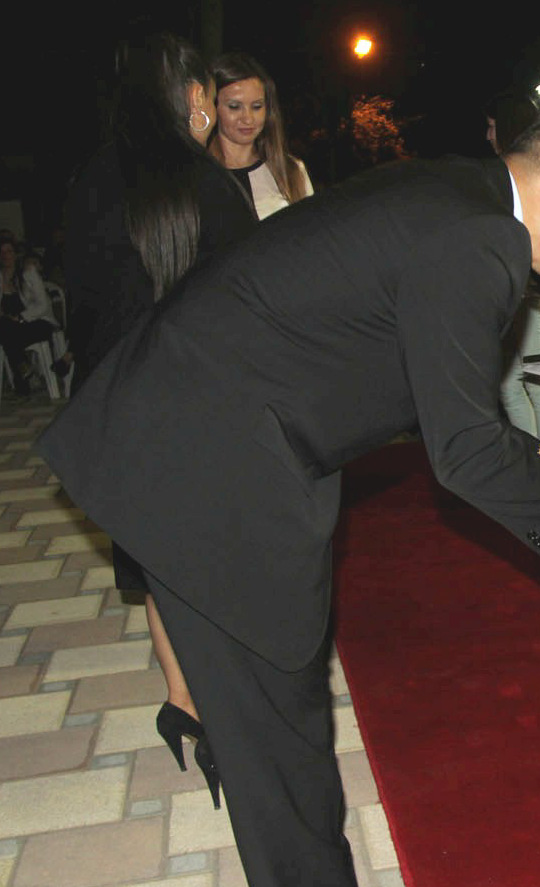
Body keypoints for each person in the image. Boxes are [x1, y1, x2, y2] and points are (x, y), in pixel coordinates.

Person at [37, 108, 540, 887]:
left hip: (177, 434)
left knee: (265, 725)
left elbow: (420, 378)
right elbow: (466, 453)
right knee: (282, 726)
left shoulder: (452, 194)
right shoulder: (483, 239)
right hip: (209, 464)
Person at [63, 32, 257, 808]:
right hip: (198, 406)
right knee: (216, 565)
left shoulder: (88, 182)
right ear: (186, 97)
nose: (213, 105)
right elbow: (249, 301)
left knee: (153, 564)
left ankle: (183, 703)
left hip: (115, 407)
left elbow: (83, 301)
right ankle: (222, 715)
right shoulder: (203, 185)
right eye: (205, 91)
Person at [484, 91, 540, 448]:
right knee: (534, 381)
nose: (488, 135)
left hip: (535, 288)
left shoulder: (515, 174)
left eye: (491, 127)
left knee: (527, 381)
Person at [210, 51, 314, 219]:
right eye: (234, 106)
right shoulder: (197, 174)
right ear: (213, 107)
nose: (247, 118)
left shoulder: (291, 170)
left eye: (257, 106)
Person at [0, 235, 59, 398]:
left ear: (16, 254)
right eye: (2, 252)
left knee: (7, 334)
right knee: (6, 329)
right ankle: (23, 369)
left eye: (9, 251)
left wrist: (20, 317)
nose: (5, 256)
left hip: (37, 322)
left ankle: (22, 380)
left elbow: (43, 305)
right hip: (11, 326)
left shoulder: (28, 272)